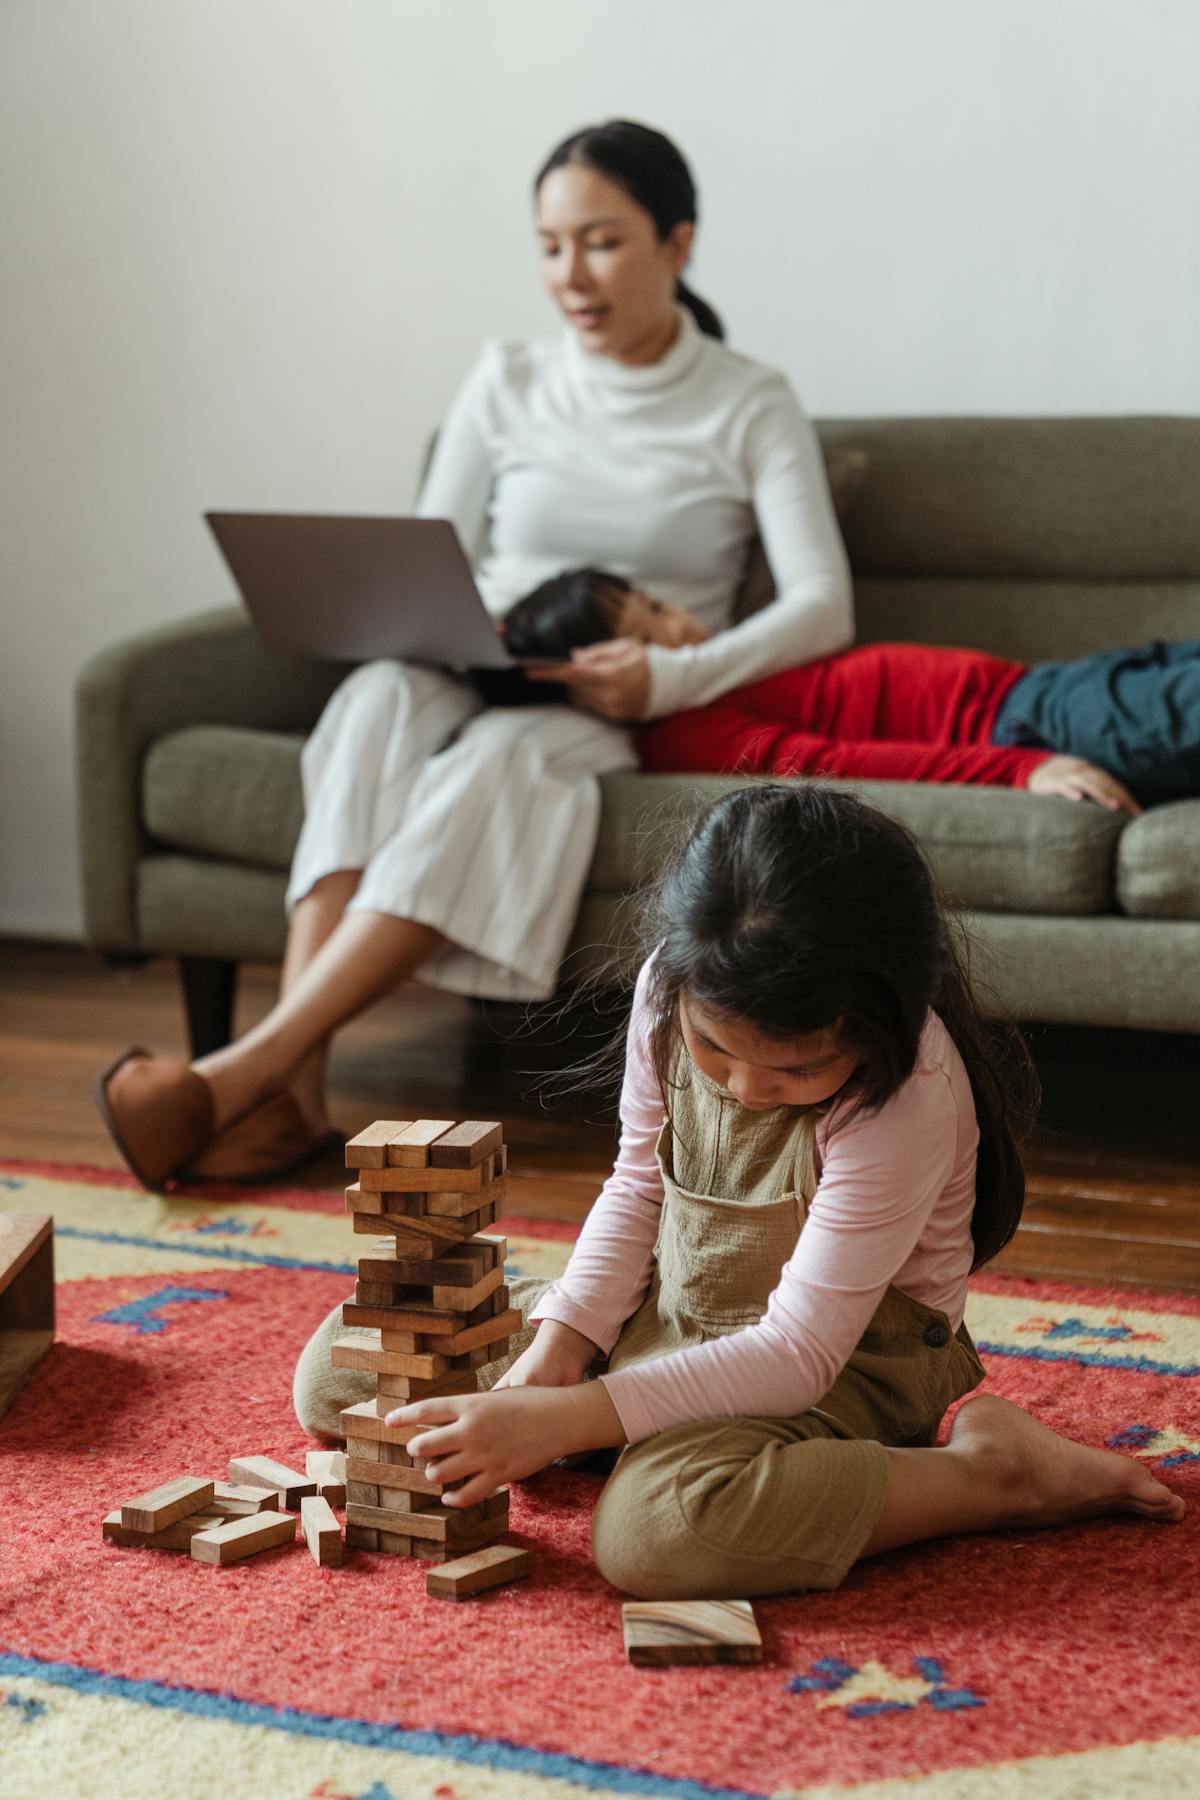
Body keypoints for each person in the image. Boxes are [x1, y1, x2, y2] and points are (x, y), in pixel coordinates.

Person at [93, 118, 852, 1190]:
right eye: (549, 247)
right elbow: (430, 547)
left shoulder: (746, 399)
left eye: (601, 242)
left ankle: (238, 1080)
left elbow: (824, 606)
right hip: (476, 650)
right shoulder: (504, 378)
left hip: (606, 695)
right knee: (372, 703)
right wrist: (434, 630)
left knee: (503, 762)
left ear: (678, 244)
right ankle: (293, 1098)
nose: (569, 276)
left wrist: (666, 676)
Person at [292, 786, 1185, 1599]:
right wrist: (553, 1357)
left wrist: (562, 1420)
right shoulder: (667, 989)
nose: (748, 1090)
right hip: (674, 1315)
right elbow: (638, 1187)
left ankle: (990, 1474)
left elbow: (798, 1354)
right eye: (716, 1051)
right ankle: (635, 1427)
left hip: (845, 1365)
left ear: (882, 1019)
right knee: (342, 1368)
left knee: (658, 1535)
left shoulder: (909, 1093)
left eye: (798, 1067)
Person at [504, 566, 1200, 811]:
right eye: (651, 624)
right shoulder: (685, 731)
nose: (677, 618)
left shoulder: (723, 667)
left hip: (1051, 686)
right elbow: (839, 766)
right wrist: (1024, 769)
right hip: (1031, 724)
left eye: (656, 601)